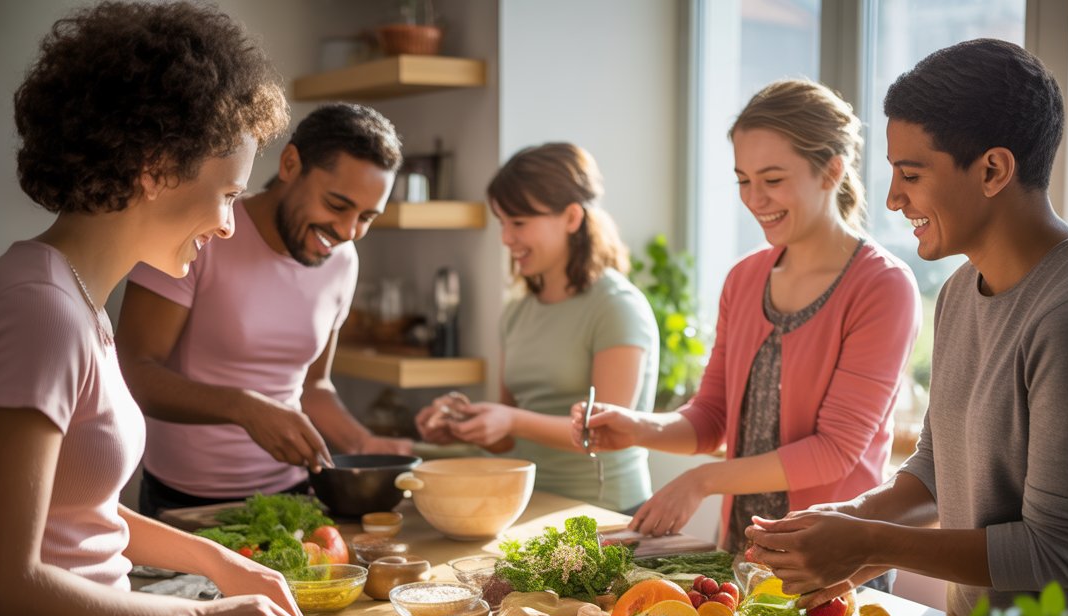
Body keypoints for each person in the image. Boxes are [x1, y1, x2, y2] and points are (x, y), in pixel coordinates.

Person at [0, 4, 316, 616]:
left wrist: (220, 563)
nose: (230, 224)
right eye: (226, 193)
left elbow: (74, 514)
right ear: (158, 167)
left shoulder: (74, 298)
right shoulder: (39, 312)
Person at [745, 40, 1068, 616]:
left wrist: (868, 542)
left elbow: (1058, 552)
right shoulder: (959, 292)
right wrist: (848, 523)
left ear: (994, 170)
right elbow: (940, 468)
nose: (892, 199)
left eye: (911, 175)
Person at [574, 80, 921, 558]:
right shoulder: (744, 278)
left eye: (773, 179)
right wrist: (638, 427)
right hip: (743, 554)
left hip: (833, 562)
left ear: (831, 171)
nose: (755, 198)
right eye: (743, 180)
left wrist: (703, 480)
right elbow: (712, 418)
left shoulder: (882, 286)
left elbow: (835, 449)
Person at [117, 103, 412, 519]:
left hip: (293, 495)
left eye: (366, 217)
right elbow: (135, 372)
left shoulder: (344, 260)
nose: (348, 232)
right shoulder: (204, 232)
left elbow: (314, 387)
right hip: (187, 503)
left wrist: (363, 443)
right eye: (337, 204)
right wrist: (244, 407)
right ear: (291, 164)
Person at [414, 143, 659, 513]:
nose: (506, 239)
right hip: (529, 505)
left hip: (607, 513)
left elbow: (607, 431)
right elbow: (512, 438)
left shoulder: (617, 306)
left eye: (519, 223)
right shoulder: (517, 311)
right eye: (503, 223)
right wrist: (466, 427)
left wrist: (509, 419)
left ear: (572, 218)